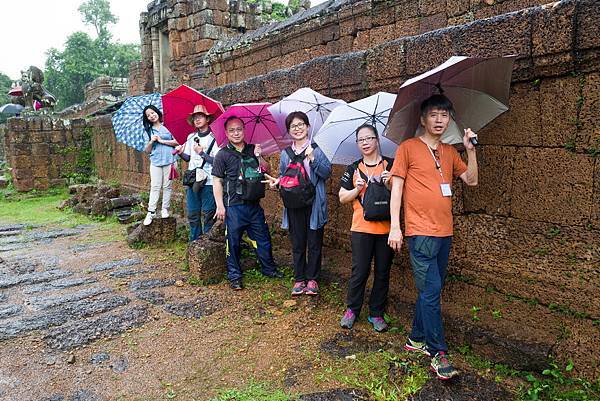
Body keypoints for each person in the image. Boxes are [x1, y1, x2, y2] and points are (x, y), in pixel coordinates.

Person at [388, 94, 478, 380]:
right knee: (431, 292)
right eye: (434, 115)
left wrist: (470, 150)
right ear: (423, 119)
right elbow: (397, 188)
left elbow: (472, 181)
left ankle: (416, 338)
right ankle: (438, 352)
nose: (440, 120)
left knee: (431, 290)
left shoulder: (450, 152)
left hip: (445, 232)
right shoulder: (408, 148)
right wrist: (395, 226)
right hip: (420, 232)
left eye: (444, 115)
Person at [263, 111, 332, 296]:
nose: (298, 128)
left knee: (314, 242)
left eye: (301, 124)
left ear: (308, 127)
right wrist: (277, 182)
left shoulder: (317, 149)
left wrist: (313, 159)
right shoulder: (286, 153)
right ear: (289, 131)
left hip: (314, 202)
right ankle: (299, 278)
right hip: (294, 203)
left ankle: (313, 279)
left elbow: (326, 173)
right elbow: (285, 176)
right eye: (293, 126)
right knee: (298, 242)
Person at [212, 116, 283, 290]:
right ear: (227, 133)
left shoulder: (253, 149)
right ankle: (235, 276)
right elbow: (217, 181)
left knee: (263, 238)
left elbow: (266, 169)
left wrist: (259, 156)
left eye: (239, 129)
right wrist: (220, 205)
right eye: (232, 130)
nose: (236, 133)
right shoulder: (222, 154)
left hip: (254, 204)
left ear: (244, 130)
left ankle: (269, 269)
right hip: (234, 206)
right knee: (233, 242)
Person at [337, 124, 393, 332]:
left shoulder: (391, 165)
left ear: (377, 139)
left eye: (369, 138)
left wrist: (390, 184)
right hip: (361, 228)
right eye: (361, 140)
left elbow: (401, 196)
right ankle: (352, 309)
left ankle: (376, 313)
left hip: (386, 228)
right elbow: (343, 197)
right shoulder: (353, 168)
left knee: (382, 272)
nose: (365, 143)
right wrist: (357, 189)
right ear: (357, 144)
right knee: (359, 270)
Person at [174, 104, 219, 240]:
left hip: (209, 181)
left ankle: (208, 243)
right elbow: (189, 158)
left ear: (208, 119)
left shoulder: (214, 138)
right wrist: (181, 153)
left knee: (208, 213)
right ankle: (194, 243)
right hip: (193, 180)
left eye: (201, 117)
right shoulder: (190, 137)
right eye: (195, 118)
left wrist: (202, 153)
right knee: (193, 214)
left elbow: (217, 161)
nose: (197, 120)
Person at [142, 105, 179, 226]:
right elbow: (147, 150)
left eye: (152, 113)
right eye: (148, 115)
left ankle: (165, 209)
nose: (151, 116)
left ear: (157, 112)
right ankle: (151, 212)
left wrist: (162, 141)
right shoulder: (148, 131)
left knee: (167, 186)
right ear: (147, 118)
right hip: (156, 161)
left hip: (170, 159)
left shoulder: (168, 126)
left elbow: (177, 141)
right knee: (155, 186)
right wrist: (151, 141)